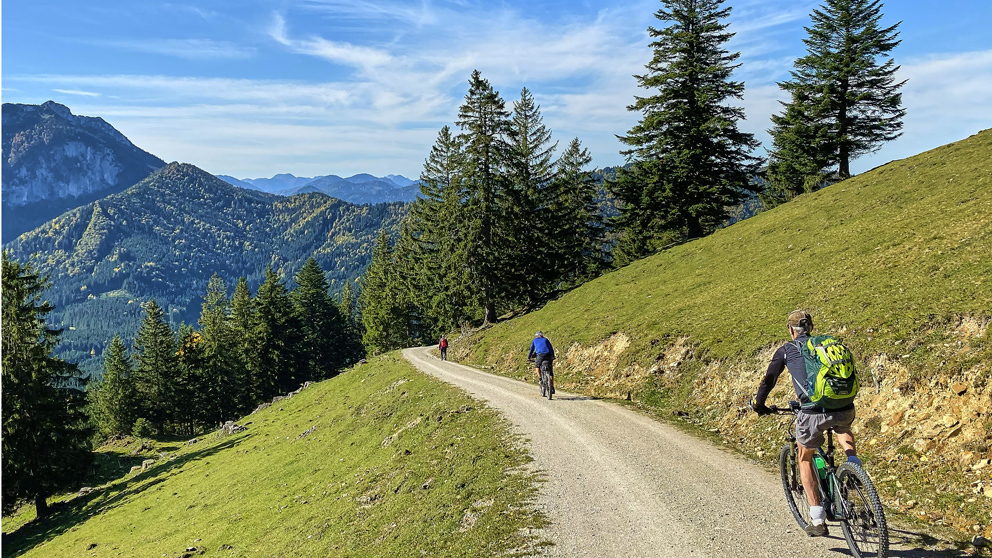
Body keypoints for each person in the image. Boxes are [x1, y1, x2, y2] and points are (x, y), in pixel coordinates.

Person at [750, 310, 860, 537]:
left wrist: (759, 404)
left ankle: (817, 518)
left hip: (812, 413)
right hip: (844, 407)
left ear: (791, 330)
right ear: (811, 327)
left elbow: (769, 380)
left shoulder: (787, 350)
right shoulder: (826, 346)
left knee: (804, 457)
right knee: (842, 427)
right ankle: (853, 463)